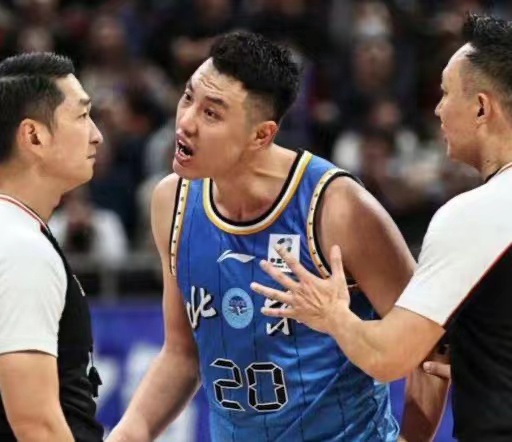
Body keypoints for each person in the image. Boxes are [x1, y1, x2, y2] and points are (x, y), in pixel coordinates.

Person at [108, 31, 448, 442]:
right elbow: (182, 354)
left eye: (211, 113)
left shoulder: (337, 207)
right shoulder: (172, 203)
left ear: (261, 134)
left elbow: (429, 347)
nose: (186, 122)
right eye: (188, 97)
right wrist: (128, 433)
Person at [252, 13, 512, 441]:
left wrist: (332, 314)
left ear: (481, 107)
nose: (437, 109)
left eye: (445, 93)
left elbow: (388, 357)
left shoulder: (477, 212)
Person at [0, 52, 104, 441]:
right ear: (33, 136)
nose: (97, 134)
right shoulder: (16, 247)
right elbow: (36, 426)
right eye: (82, 116)